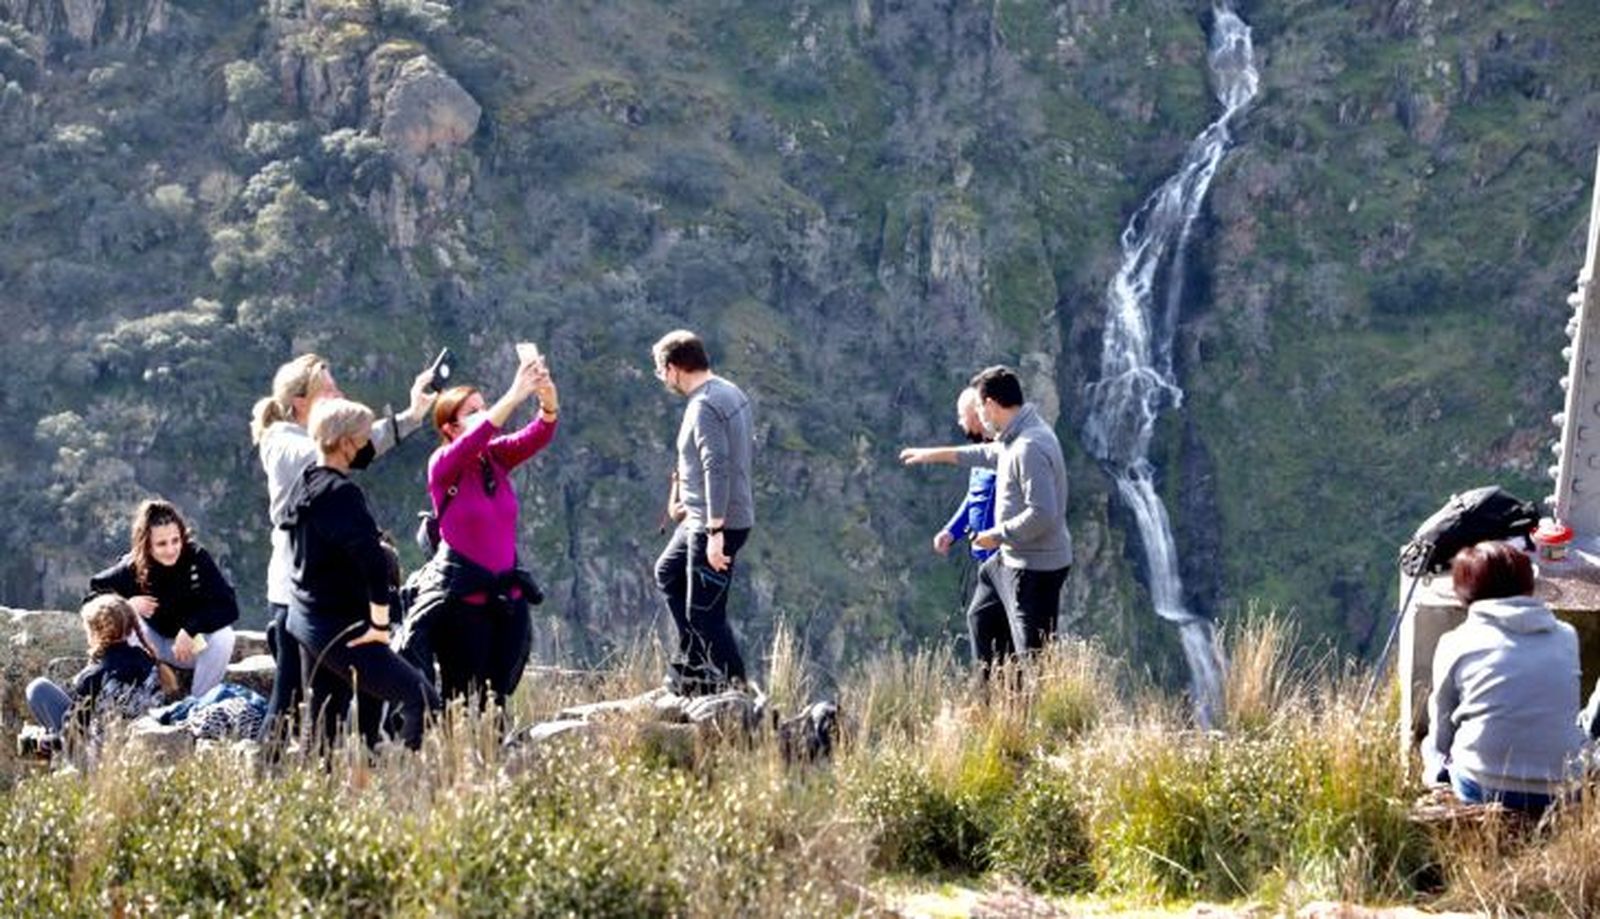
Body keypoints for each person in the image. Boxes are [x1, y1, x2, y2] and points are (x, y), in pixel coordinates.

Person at [251, 353, 437, 741]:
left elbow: (351, 448)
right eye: (329, 391)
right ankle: (268, 772)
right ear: (300, 403)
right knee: (289, 700)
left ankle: (329, 778)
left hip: (320, 594)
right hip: (296, 594)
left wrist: (413, 414)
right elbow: (334, 449)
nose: (337, 395)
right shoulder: (283, 443)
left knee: (325, 705)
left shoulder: (316, 460)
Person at [398, 347, 557, 711]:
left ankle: (494, 758)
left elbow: (541, 431)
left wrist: (546, 397)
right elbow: (482, 433)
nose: (483, 415)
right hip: (462, 605)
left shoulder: (496, 458)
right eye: (473, 411)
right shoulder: (443, 464)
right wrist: (515, 393)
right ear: (450, 428)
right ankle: (457, 762)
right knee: (462, 696)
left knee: (497, 696)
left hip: (506, 600)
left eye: (484, 407)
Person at [901, 366, 1072, 677]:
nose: (979, 417)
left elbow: (1044, 514)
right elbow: (981, 455)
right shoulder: (1014, 437)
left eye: (980, 408)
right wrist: (930, 454)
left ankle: (1046, 714)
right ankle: (997, 702)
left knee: (1035, 657)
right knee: (982, 617)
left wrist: (997, 535)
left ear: (992, 404)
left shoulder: (1029, 447)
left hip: (1035, 568)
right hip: (1008, 562)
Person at [1423, 541, 1587, 814]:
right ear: (1528, 585)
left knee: (1431, 746)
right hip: (1560, 790)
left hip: (1480, 786)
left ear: (1465, 592)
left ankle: (1439, 780)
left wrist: (1436, 761)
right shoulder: (1567, 636)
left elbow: (1442, 728)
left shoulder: (1454, 642)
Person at [651, 330, 756, 696]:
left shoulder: (704, 406)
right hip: (703, 517)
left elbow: (717, 465)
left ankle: (739, 692)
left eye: (660, 370)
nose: (662, 379)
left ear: (675, 368)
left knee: (706, 616)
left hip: (716, 524)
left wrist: (715, 533)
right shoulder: (729, 391)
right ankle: (693, 664)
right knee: (667, 571)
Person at [87, 499, 239, 697]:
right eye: (161, 544)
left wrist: (191, 629)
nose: (170, 550)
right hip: (147, 646)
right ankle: (136, 697)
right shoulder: (132, 567)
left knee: (224, 637)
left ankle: (200, 703)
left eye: (176, 541)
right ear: (147, 545)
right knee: (127, 619)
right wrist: (126, 604)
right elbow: (93, 597)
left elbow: (228, 606)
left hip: (188, 646)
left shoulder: (196, 558)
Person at [25, 594, 169, 736]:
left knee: (38, 688)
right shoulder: (150, 663)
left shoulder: (93, 675)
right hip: (139, 744)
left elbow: (75, 726)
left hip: (96, 752)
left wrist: (45, 740)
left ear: (94, 633)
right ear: (131, 629)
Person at [933, 387, 998, 565]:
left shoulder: (1006, 452)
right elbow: (975, 497)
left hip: (1006, 560)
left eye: (963, 416)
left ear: (978, 414)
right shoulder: (979, 455)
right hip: (984, 559)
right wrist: (951, 531)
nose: (961, 423)